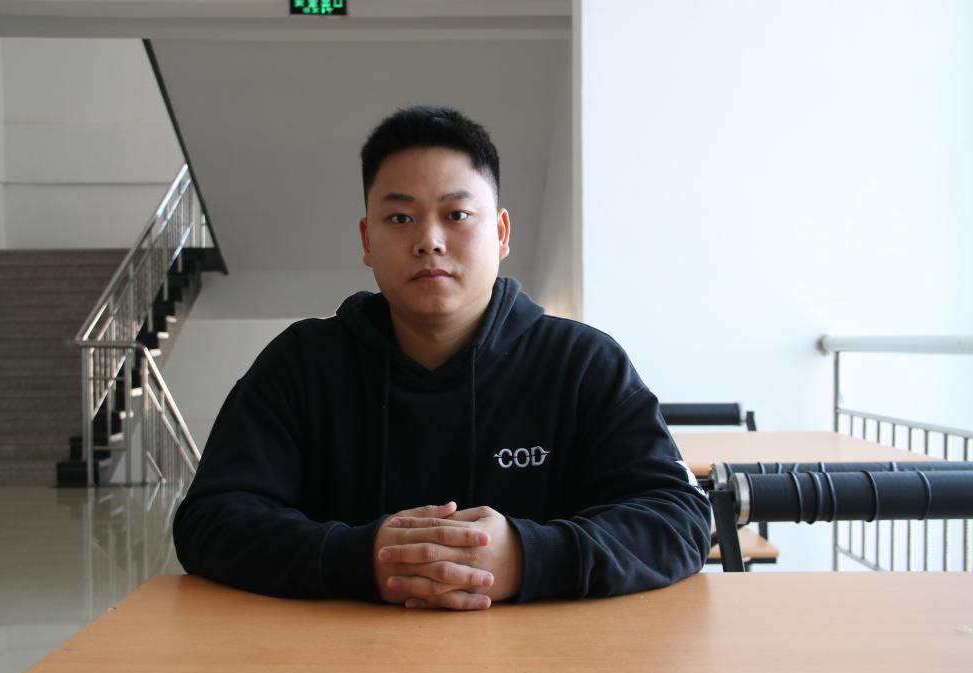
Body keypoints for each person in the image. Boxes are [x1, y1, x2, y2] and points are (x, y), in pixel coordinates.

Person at [173, 106, 710, 610]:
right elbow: (211, 520)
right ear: (366, 238)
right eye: (399, 217)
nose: (429, 241)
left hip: (540, 659)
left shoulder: (582, 363)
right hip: (341, 657)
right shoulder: (301, 365)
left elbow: (678, 518)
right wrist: (362, 558)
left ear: (500, 233)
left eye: (456, 214)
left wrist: (528, 556)